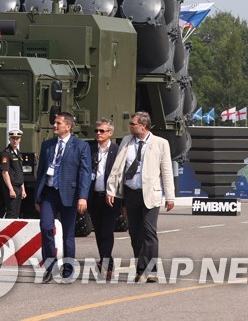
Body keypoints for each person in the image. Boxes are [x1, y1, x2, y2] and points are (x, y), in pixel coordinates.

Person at [106, 111, 175, 282]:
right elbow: (117, 168)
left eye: (132, 124)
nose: (130, 126)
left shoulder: (160, 143)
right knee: (135, 233)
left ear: (143, 126)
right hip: (131, 193)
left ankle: (151, 270)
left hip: (150, 194)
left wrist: (170, 196)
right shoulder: (126, 141)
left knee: (149, 231)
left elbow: (166, 171)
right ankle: (140, 268)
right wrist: (111, 190)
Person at [33, 111, 91, 281]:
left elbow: (85, 173)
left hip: (70, 195)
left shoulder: (81, 146)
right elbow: (41, 171)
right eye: (54, 123)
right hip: (50, 193)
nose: (54, 126)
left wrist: (83, 197)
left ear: (68, 126)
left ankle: (68, 269)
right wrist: (38, 197)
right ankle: (49, 267)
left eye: (58, 123)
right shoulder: (47, 145)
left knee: (68, 234)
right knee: (45, 227)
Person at [87, 118, 122, 279]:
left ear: (110, 133)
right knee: (99, 233)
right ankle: (105, 261)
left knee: (107, 231)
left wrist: (120, 198)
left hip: (111, 198)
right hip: (94, 197)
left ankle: (107, 265)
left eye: (102, 131)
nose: (98, 134)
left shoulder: (117, 151)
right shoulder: (90, 149)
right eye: (97, 131)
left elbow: (121, 176)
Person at [1, 129, 26, 218]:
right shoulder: (6, 153)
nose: (15, 141)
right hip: (12, 186)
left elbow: (20, 171)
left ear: (20, 139)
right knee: (11, 212)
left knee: (16, 212)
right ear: (9, 139)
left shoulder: (18, 153)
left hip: (18, 186)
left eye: (17, 138)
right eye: (13, 138)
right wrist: (11, 189)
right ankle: (9, 232)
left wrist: (23, 189)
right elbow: (5, 172)